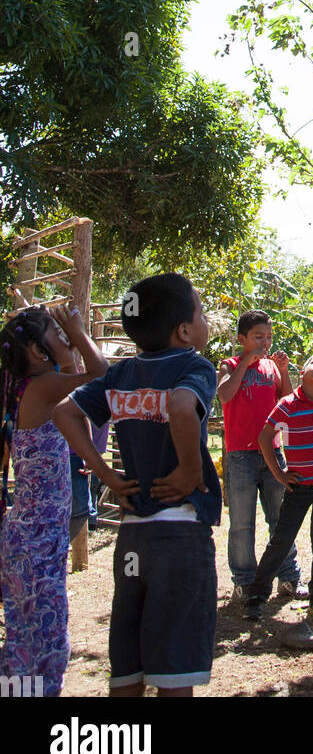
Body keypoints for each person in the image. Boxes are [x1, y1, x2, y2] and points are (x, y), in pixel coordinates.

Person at [54, 272, 222, 697]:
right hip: (180, 534)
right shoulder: (194, 365)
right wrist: (188, 470)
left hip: (132, 540)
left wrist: (106, 474)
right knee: (174, 672)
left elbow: (64, 413)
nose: (204, 319)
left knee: (128, 665)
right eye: (200, 312)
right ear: (185, 331)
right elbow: (183, 404)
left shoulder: (121, 373)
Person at [0, 302, 108, 697]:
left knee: (28, 643)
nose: (64, 337)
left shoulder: (33, 388)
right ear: (36, 352)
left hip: (31, 539)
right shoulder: (44, 387)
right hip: (35, 542)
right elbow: (102, 375)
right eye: (56, 333)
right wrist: (78, 335)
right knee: (40, 647)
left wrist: (62, 346)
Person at [242, 352, 313, 623]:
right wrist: (279, 474)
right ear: (302, 372)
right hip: (299, 487)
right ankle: (256, 596)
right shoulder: (287, 404)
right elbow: (265, 438)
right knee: (281, 541)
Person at [218, 309, 305, 601]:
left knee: (280, 518)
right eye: (257, 337)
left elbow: (287, 401)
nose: (264, 343)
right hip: (240, 457)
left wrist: (283, 371)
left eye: (268, 337)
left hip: (273, 454)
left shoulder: (271, 368)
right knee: (242, 523)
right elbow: (225, 394)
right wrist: (245, 363)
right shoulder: (229, 365)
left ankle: (288, 577)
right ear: (242, 339)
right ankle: (244, 581)